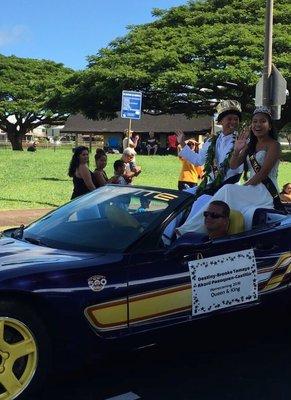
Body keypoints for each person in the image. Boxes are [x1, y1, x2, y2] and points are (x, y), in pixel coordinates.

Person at [177, 106, 281, 235]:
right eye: (255, 121)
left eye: (262, 121)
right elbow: (233, 164)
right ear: (220, 121)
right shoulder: (246, 144)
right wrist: (237, 150)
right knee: (184, 197)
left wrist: (243, 187)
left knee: (224, 192)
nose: (258, 124)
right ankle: (184, 230)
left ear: (270, 126)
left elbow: (263, 173)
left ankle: (190, 232)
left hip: (264, 190)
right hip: (220, 185)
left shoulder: (274, 145)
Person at [177, 100, 243, 199]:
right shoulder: (211, 141)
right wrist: (182, 143)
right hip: (211, 186)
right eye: (229, 119)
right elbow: (198, 161)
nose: (233, 122)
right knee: (183, 198)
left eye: (236, 119)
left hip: (230, 189)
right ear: (220, 121)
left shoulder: (241, 141)